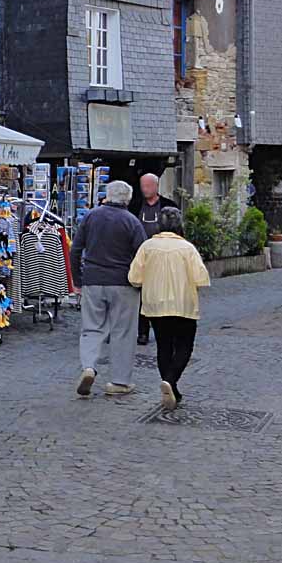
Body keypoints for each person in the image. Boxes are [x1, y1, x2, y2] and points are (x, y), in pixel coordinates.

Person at [127, 206, 210, 411]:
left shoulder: (147, 247)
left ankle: (170, 385)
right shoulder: (187, 248)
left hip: (155, 305)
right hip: (183, 304)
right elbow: (201, 278)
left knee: (164, 346)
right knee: (184, 346)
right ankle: (171, 381)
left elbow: (134, 278)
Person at [69, 179, 146, 397]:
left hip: (93, 279)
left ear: (107, 195)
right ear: (128, 199)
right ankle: (119, 382)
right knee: (123, 331)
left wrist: (77, 280)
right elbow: (143, 255)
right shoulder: (131, 222)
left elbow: (75, 250)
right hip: (123, 283)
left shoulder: (91, 216)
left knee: (91, 328)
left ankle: (89, 367)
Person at [128, 173, 178, 344]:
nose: (145, 190)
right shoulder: (134, 206)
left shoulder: (169, 206)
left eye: (148, 186)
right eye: (143, 186)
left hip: (163, 257)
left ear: (156, 186)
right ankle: (142, 332)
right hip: (140, 256)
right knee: (143, 297)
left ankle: (164, 329)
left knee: (162, 295)